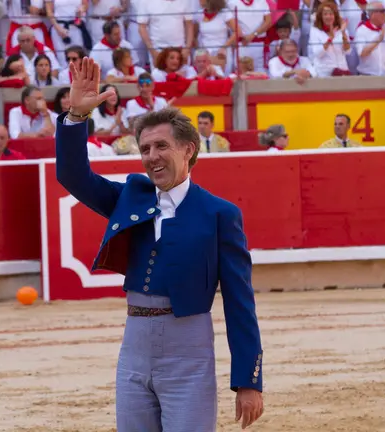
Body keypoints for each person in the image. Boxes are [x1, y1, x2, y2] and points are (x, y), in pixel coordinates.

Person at [55, 57, 264, 431]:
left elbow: (239, 300)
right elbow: (72, 175)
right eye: (145, 149)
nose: (151, 157)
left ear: (188, 150)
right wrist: (75, 118)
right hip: (134, 346)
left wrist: (248, 380)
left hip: (190, 348)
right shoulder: (131, 196)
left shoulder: (219, 214)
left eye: (161, 146)